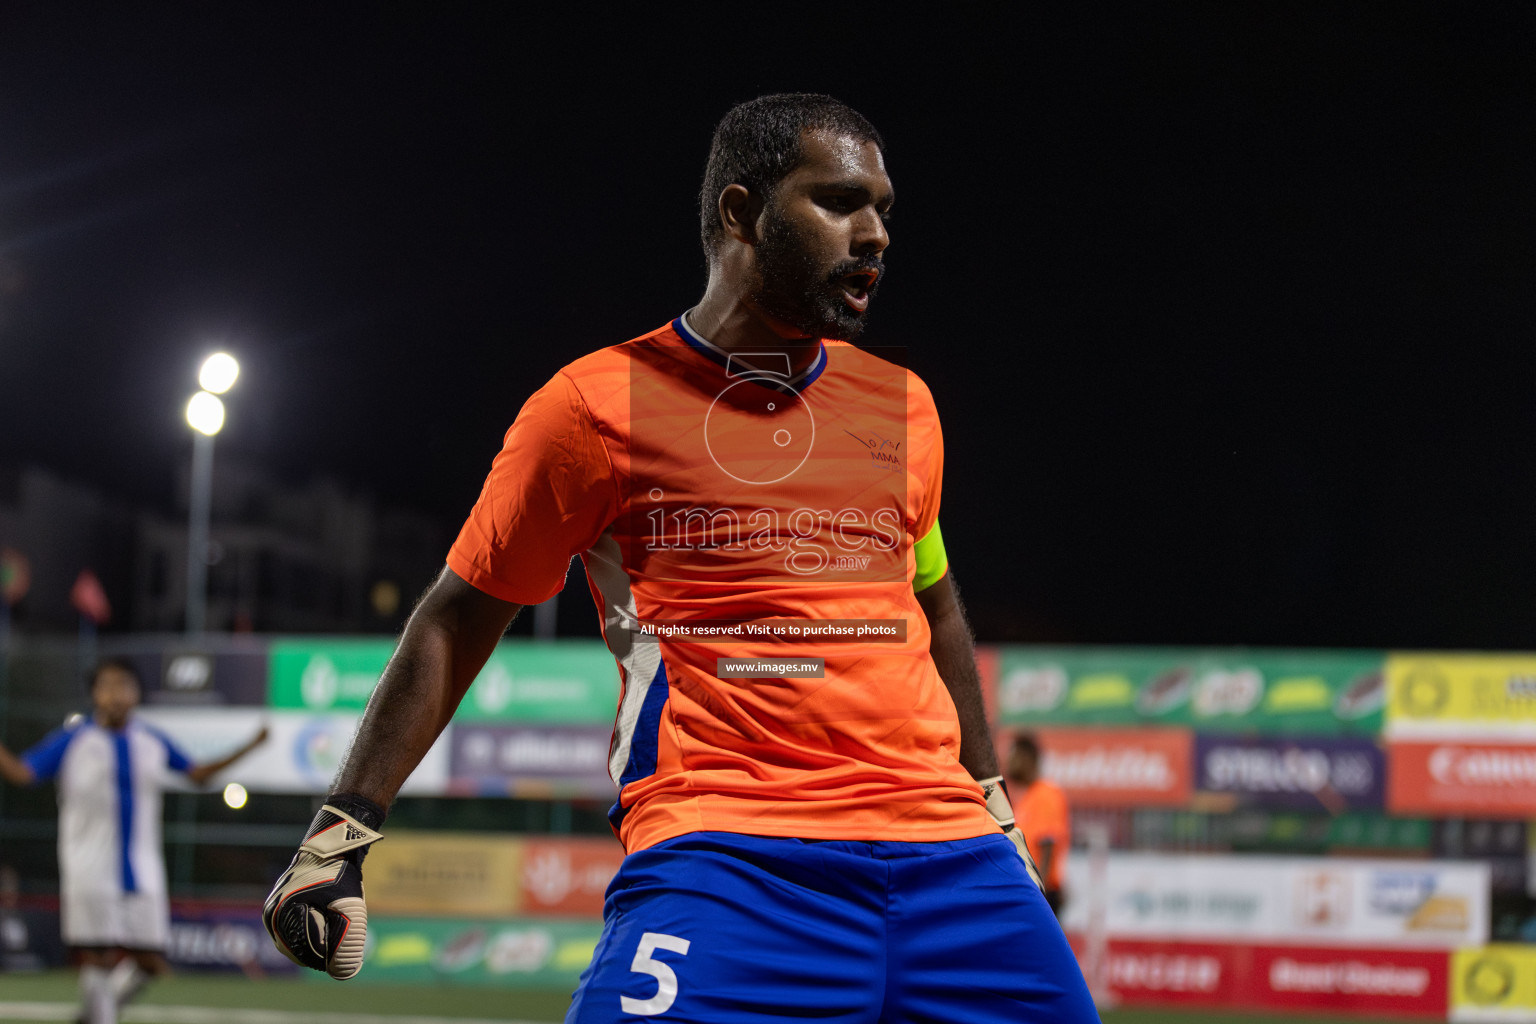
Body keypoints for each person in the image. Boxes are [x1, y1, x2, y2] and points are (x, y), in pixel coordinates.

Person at [263, 93, 1097, 1022]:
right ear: (741, 213)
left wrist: (993, 803)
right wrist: (340, 834)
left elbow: (934, 606)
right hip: (727, 859)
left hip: (954, 861)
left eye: (884, 211)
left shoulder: (906, 405)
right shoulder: (591, 410)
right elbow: (457, 619)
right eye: (841, 202)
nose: (876, 235)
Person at [0, 657, 268, 1024]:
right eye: (107, 685)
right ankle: (102, 1018)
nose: (116, 694)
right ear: (94, 693)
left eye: (124, 685)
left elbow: (198, 774)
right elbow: (22, 773)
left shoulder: (151, 740)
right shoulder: (74, 740)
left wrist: (250, 746)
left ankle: (95, 1012)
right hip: (89, 865)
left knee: (151, 962)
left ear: (137, 693)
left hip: (142, 869)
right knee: (97, 955)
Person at [1008, 732, 1072, 917]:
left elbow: (1047, 844)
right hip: (1031, 890)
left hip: (1041, 892)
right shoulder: (1027, 797)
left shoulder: (1046, 794)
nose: (1010, 761)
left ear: (1029, 759)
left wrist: (1038, 896)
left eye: (1015, 755)